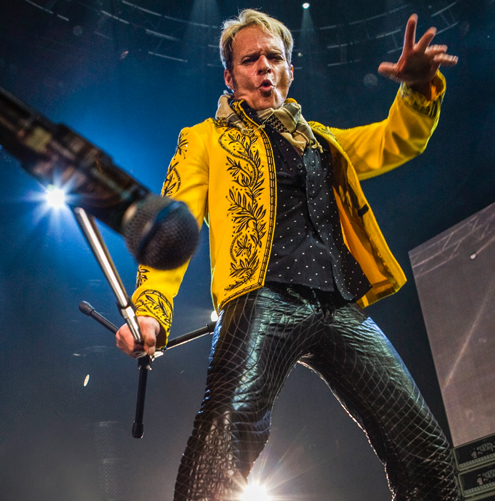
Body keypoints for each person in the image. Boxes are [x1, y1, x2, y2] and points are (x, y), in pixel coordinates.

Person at [116, 9, 459, 501]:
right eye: (250, 59)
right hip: (260, 297)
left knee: (423, 447)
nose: (264, 66)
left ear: (290, 71)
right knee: (226, 433)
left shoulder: (321, 140)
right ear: (230, 77)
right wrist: (151, 309)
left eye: (274, 57)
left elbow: (395, 140)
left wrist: (418, 87)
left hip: (339, 304)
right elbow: (173, 232)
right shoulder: (204, 139)